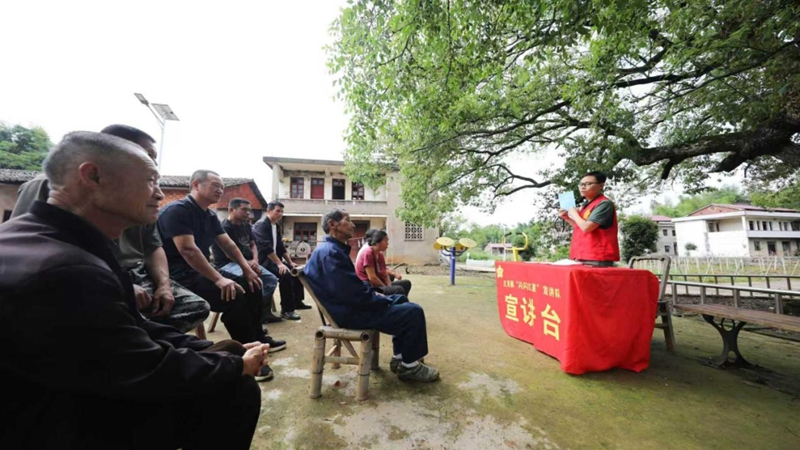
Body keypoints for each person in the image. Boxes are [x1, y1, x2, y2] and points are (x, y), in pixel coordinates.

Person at [0, 131, 267, 449]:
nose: (159, 194)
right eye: (150, 181)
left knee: (230, 349)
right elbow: (141, 367)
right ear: (93, 176)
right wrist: (236, 367)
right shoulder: (67, 269)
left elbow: (133, 325)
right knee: (235, 391)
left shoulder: (62, 240)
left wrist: (217, 351)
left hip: (75, 380)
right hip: (50, 421)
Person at [9, 124, 209, 332]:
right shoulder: (56, 186)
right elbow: (27, 249)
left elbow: (153, 246)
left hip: (129, 272)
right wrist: (120, 284)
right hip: (76, 275)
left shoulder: (140, 196)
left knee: (190, 309)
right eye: (148, 155)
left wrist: (164, 285)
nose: (158, 194)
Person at [158, 170, 287, 367]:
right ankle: (244, 356)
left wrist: (246, 269)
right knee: (235, 295)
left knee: (254, 284)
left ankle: (258, 338)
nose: (220, 190)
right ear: (196, 185)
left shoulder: (210, 215)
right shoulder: (178, 210)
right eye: (215, 186)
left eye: (222, 187)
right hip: (177, 275)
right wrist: (219, 279)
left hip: (199, 271)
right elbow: (187, 250)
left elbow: (229, 244)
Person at [304, 208, 440, 382]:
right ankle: (410, 367)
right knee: (414, 312)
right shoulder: (331, 254)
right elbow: (352, 294)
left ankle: (400, 358)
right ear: (333, 224)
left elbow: (350, 288)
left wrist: (377, 295)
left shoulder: (331, 250)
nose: (353, 225)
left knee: (400, 298)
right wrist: (378, 299)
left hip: (349, 307)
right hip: (350, 314)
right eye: (348, 220)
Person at [211, 197, 282, 323]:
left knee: (270, 279)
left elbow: (253, 244)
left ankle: (262, 312)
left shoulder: (246, 225)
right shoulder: (224, 228)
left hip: (248, 263)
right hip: (228, 264)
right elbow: (229, 253)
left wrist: (255, 260)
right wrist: (247, 264)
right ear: (231, 210)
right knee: (253, 281)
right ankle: (250, 316)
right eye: (244, 210)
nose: (248, 213)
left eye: (249, 210)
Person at [253, 201, 311, 321]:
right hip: (264, 262)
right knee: (286, 275)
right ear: (269, 211)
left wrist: (290, 262)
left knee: (296, 271)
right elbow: (265, 247)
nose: (280, 214)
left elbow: (280, 247)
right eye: (277, 211)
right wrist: (279, 263)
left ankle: (297, 302)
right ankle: (287, 310)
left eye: (282, 211)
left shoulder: (276, 225)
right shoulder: (261, 225)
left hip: (275, 260)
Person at [558, 171, 620, 266]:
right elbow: (580, 227)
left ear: (600, 186)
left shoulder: (604, 204)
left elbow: (587, 227)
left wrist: (574, 214)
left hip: (597, 257)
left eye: (588, 184)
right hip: (581, 255)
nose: (583, 187)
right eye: (581, 184)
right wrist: (566, 217)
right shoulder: (585, 206)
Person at [356, 230, 412, 295]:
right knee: (399, 289)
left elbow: (385, 273)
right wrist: (385, 288)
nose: (387, 243)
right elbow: (372, 278)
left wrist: (389, 287)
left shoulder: (380, 254)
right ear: (378, 242)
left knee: (406, 283)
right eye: (386, 241)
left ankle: (400, 300)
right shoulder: (368, 253)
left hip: (378, 284)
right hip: (369, 286)